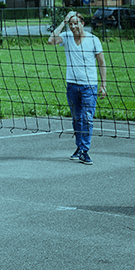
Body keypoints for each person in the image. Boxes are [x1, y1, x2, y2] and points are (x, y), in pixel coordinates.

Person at [47, 10, 108, 165]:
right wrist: (64, 21)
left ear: (82, 24)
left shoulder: (93, 40)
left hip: (89, 86)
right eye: (71, 24)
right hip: (72, 85)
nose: (73, 26)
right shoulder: (67, 38)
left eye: (76, 23)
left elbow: (101, 63)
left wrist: (103, 84)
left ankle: (84, 150)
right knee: (76, 119)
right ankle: (79, 147)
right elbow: (50, 40)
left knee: (87, 118)